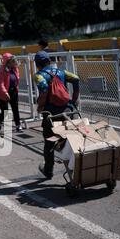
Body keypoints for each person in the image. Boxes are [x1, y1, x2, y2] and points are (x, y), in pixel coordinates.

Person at [34, 51, 80, 179]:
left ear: (37, 64)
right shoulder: (62, 72)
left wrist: (40, 106)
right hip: (67, 111)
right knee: (69, 138)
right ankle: (75, 163)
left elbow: (43, 88)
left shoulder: (39, 75)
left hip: (51, 114)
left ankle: (48, 170)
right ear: (49, 61)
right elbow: (76, 78)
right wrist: (74, 99)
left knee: (49, 141)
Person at [0, 53, 22, 133]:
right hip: (2, 93)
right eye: (12, 61)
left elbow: (17, 78)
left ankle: (18, 125)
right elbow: (0, 84)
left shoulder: (15, 68)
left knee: (15, 108)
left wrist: (15, 87)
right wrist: (5, 93)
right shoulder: (1, 70)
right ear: (7, 62)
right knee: (5, 111)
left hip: (13, 91)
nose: (14, 62)